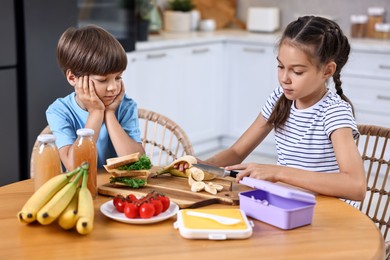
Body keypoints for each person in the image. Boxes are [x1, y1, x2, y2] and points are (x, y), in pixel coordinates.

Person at [177, 16, 367, 202]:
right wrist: (203, 165)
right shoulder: (279, 98)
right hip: (288, 203)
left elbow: (355, 186)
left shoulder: (334, 112)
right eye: (280, 66)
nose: (285, 78)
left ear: (327, 70)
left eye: (297, 71)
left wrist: (278, 172)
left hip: (328, 215)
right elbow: (236, 152)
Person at [46, 25, 145, 171]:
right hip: (81, 188)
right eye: (103, 80)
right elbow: (74, 166)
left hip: (120, 188)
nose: (113, 87)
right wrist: (96, 113)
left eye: (118, 77)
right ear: (73, 78)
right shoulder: (59, 111)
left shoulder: (125, 106)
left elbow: (138, 163)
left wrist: (109, 114)